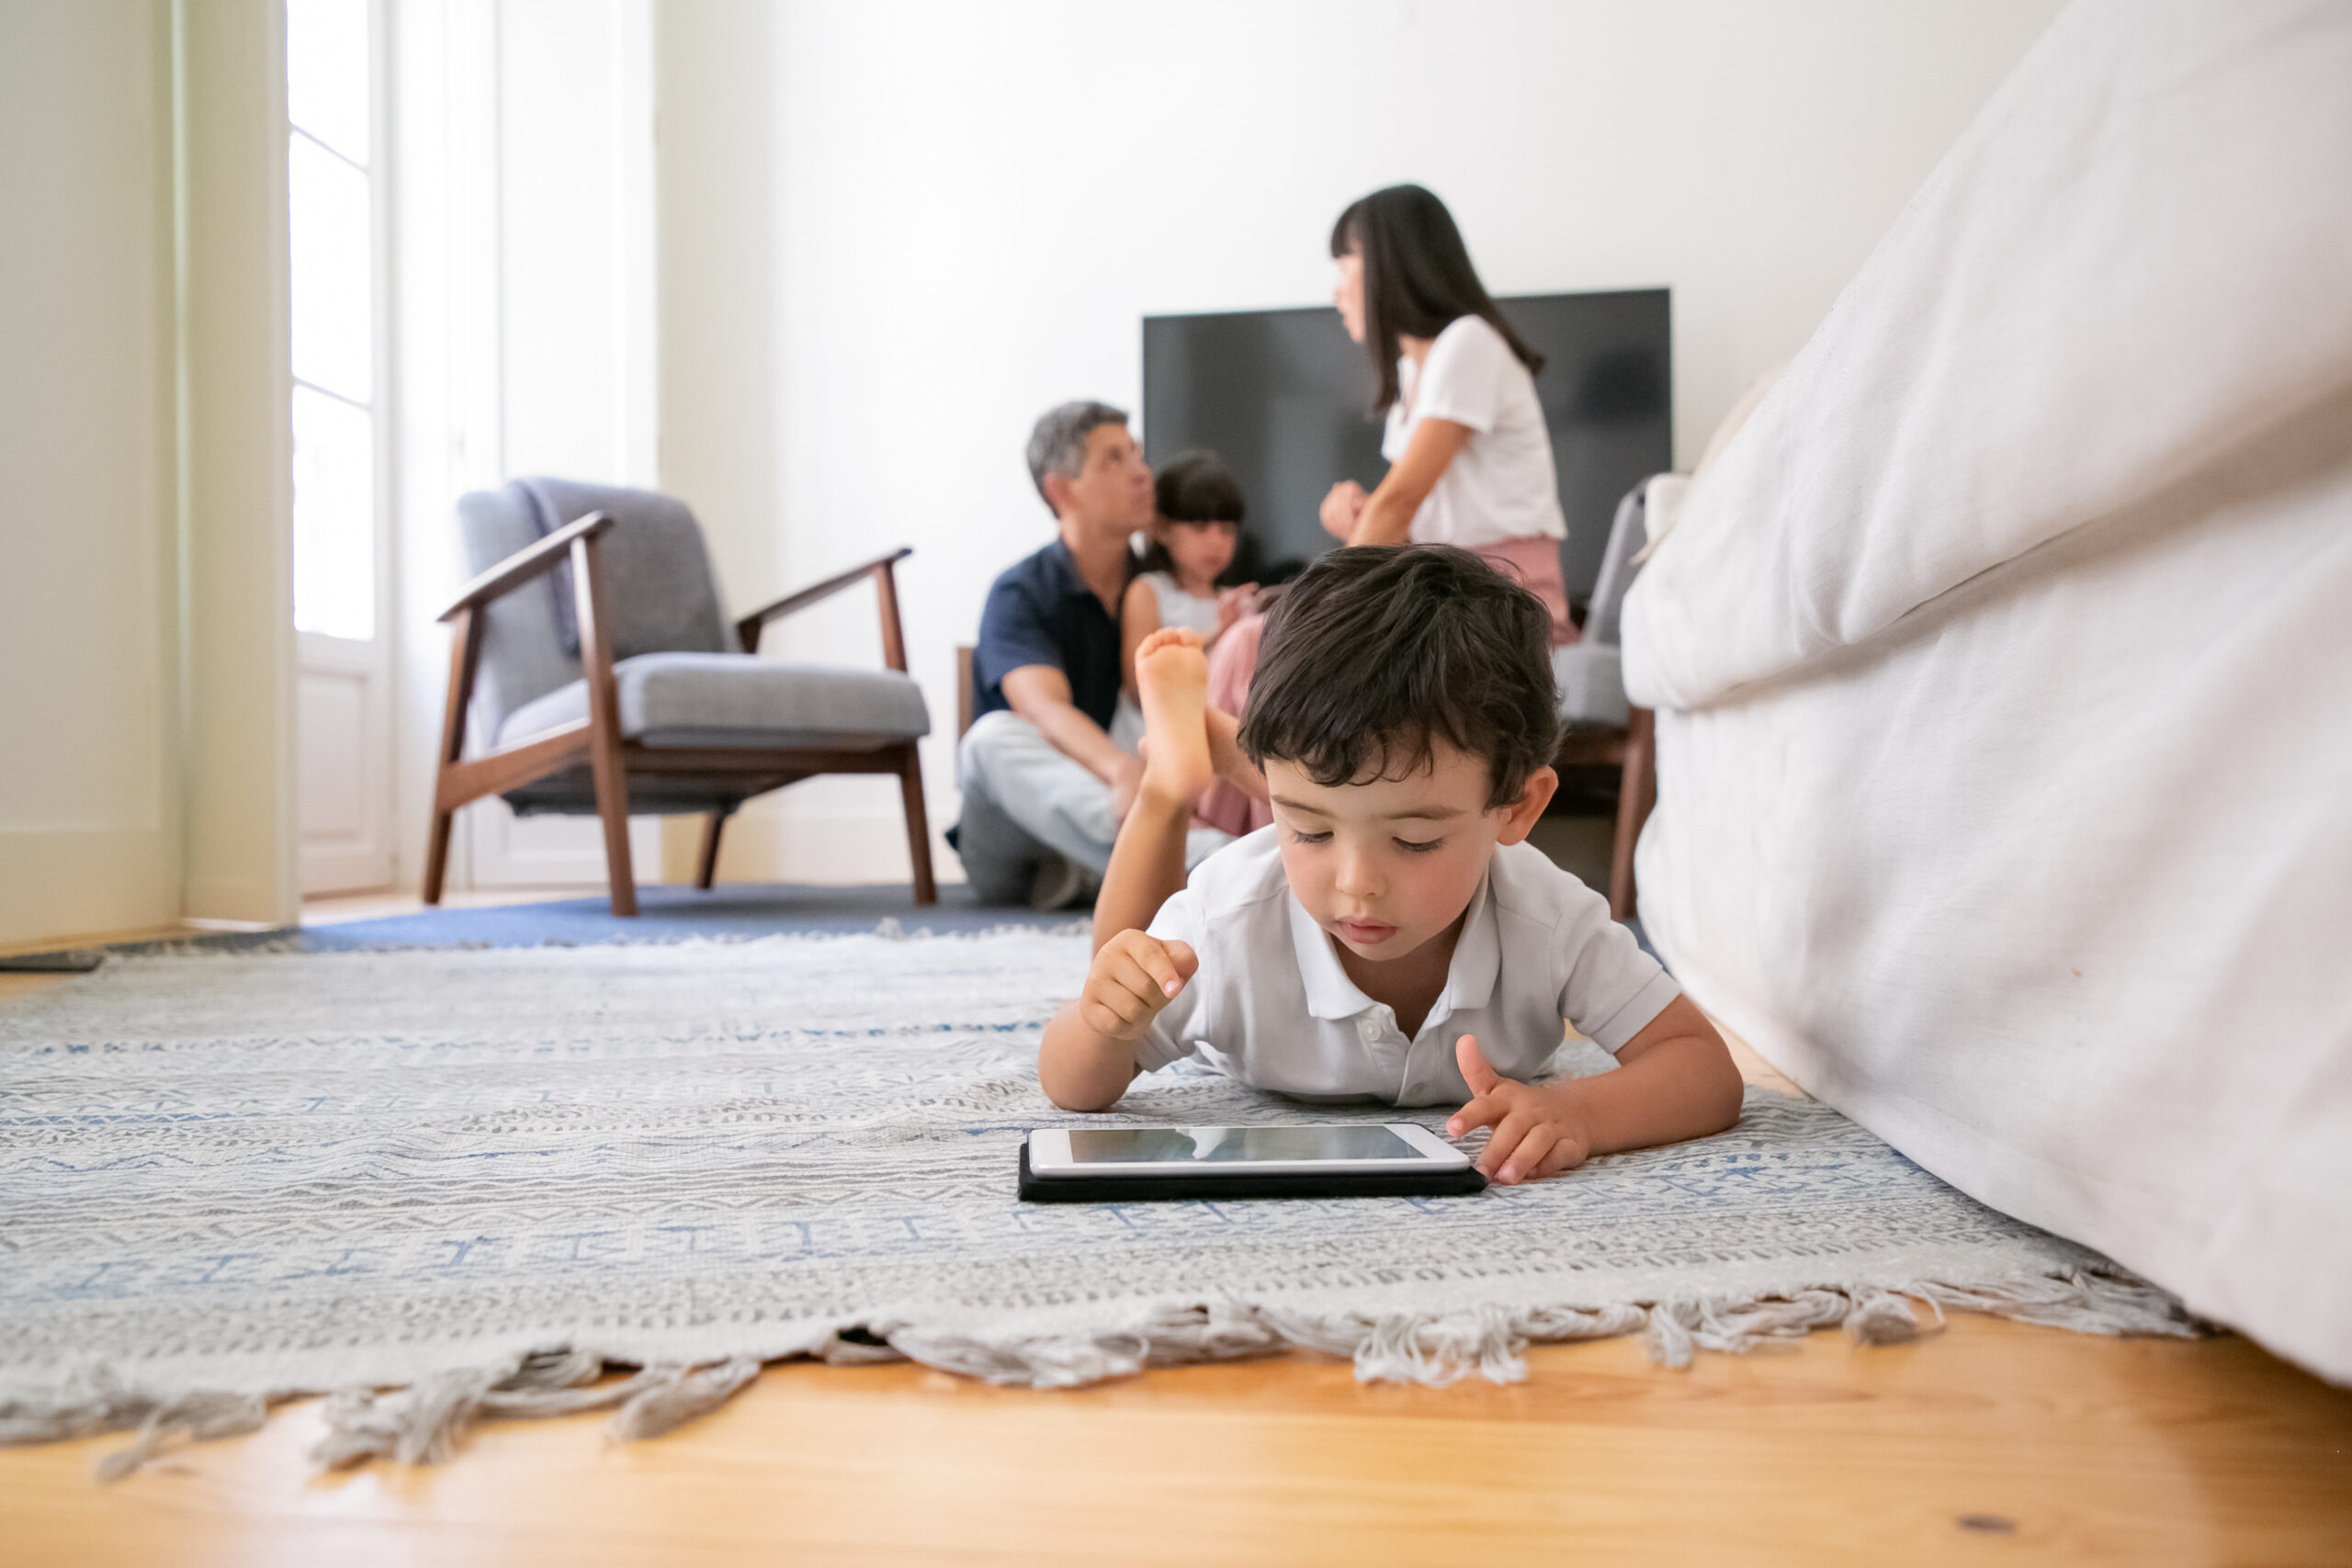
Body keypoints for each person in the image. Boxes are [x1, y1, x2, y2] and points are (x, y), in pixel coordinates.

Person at [1038, 546, 1743, 1184]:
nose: (1355, 883)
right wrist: (1104, 1025)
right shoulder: (1227, 919)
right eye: (1308, 828)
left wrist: (1584, 1113)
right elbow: (1076, 1082)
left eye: (1413, 840)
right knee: (1124, 962)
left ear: (1517, 809)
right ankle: (1172, 781)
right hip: (1228, 878)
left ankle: (1226, 750)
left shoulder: (1547, 915)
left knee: (1348, 797)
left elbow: (1703, 1069)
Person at [955, 401, 1231, 908]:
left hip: (1119, 817)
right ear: (1061, 490)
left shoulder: (1160, 588)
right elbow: (1043, 709)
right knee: (989, 740)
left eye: (1138, 455)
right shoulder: (1021, 592)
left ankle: (1104, 868)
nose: (1142, 473)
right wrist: (1124, 773)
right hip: (1021, 838)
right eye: (1113, 460)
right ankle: (1212, 864)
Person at [1317, 184, 1576, 645]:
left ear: (1385, 265)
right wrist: (1363, 512)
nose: (1335, 291)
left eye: (1343, 264)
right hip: (1449, 590)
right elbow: (1403, 517)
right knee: (1255, 641)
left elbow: (1399, 504)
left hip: (1499, 597)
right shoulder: (1414, 371)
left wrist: (1319, 615)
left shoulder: (1467, 342)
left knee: (1263, 644)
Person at [1119, 451, 1257, 703]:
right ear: (1162, 529)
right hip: (1151, 734)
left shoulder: (1232, 600)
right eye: (1200, 527)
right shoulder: (1149, 591)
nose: (1216, 541)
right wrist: (1218, 637)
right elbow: (1136, 687)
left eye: (1226, 530)